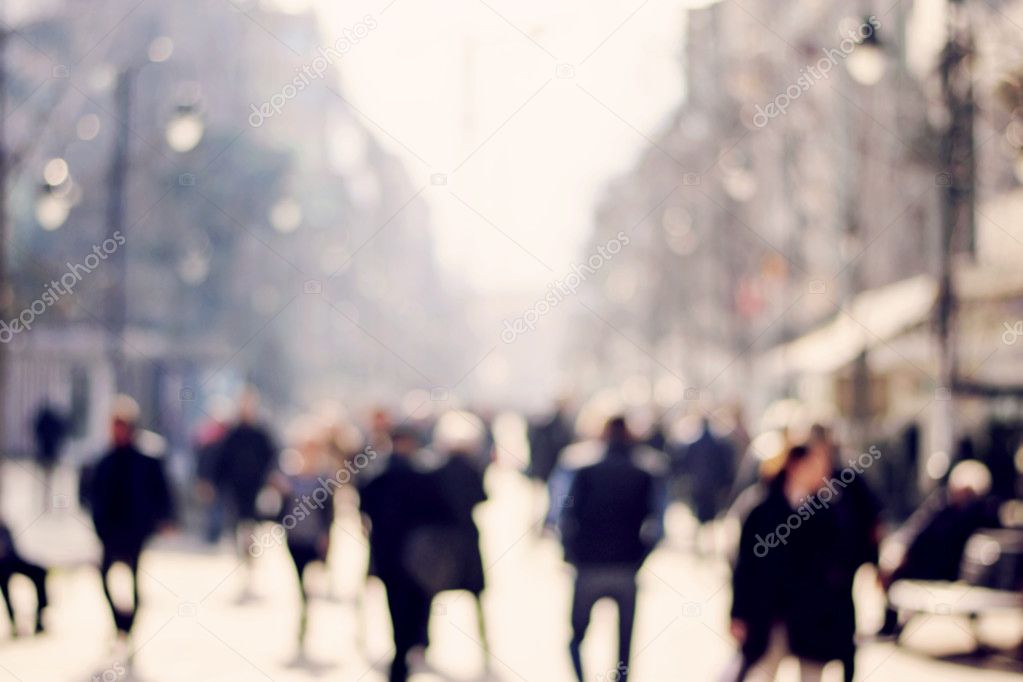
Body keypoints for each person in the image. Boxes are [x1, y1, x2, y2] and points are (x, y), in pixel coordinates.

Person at [730, 444, 855, 682]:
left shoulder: (828, 511)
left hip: (812, 617)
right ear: (796, 466)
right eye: (815, 467)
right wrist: (738, 612)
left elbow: (840, 562)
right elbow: (745, 565)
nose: (823, 473)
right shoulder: (761, 508)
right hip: (770, 615)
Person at [559, 415, 665, 682]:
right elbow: (658, 523)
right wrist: (641, 555)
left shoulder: (583, 470)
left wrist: (571, 553)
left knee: (576, 636)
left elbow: (565, 516)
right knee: (625, 642)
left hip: (588, 566)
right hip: (626, 565)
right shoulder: (645, 472)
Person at [359, 425, 453, 682]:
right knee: (409, 610)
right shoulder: (410, 475)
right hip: (408, 559)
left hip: (402, 558)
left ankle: (405, 653)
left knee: (405, 611)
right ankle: (406, 653)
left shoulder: (396, 475)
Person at [86, 396, 175, 651]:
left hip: (136, 529)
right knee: (104, 576)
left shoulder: (147, 458)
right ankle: (118, 624)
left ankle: (131, 630)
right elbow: (92, 493)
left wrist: (164, 518)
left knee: (135, 578)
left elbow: (161, 491)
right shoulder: (104, 459)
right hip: (110, 530)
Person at [877, 459, 1000, 637]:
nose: (957, 493)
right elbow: (916, 530)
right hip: (927, 563)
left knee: (895, 573)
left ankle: (890, 627)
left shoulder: (977, 512)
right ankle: (890, 625)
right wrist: (901, 552)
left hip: (943, 570)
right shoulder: (942, 504)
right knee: (892, 570)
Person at [430, 411, 491, 667]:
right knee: (475, 594)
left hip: (443, 540)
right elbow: (482, 497)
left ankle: (425, 643)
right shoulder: (470, 470)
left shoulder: (436, 470)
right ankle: (485, 644)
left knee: (432, 592)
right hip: (464, 538)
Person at [275, 418, 334, 656]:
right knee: (299, 581)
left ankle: (307, 611)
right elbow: (280, 511)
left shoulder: (324, 479)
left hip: (314, 538)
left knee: (312, 580)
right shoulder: (289, 477)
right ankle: (303, 612)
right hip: (295, 537)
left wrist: (327, 536)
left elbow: (330, 513)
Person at [213, 388, 278, 600]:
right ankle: (243, 573)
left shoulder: (261, 433)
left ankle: (253, 573)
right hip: (236, 494)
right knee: (240, 534)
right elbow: (221, 461)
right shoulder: (233, 434)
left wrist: (270, 482)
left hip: (256, 492)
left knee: (253, 535)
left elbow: (272, 459)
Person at [0, 521, 48, 636]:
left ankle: (39, 618)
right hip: (2, 566)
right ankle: (13, 623)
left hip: (11, 560)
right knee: (4, 582)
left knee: (40, 573)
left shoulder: (4, 525)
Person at [32, 402, 67, 511]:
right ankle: (49, 504)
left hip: (49, 453)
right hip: (50, 453)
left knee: (50, 481)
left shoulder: (46, 422)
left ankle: (49, 504)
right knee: (51, 481)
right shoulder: (52, 423)